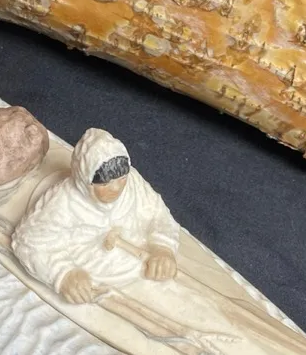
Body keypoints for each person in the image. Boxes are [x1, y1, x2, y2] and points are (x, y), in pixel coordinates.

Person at [12, 128, 181, 304]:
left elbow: (158, 213)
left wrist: (163, 247)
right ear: (86, 180)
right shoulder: (62, 203)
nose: (116, 188)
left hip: (142, 264)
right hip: (100, 282)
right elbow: (27, 243)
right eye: (105, 183)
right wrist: (62, 274)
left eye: (122, 178)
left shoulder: (134, 183)